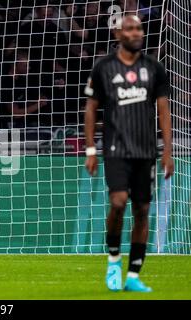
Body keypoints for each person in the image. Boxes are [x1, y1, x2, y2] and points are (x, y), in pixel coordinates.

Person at [84, 16, 173, 292]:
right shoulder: (104, 67)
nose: (136, 33)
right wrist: (90, 149)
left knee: (143, 210)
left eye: (139, 28)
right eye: (130, 29)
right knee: (119, 202)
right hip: (115, 148)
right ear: (119, 33)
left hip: (145, 150)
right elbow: (91, 108)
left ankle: (133, 275)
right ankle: (113, 259)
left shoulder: (154, 68)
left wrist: (167, 151)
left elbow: (163, 110)